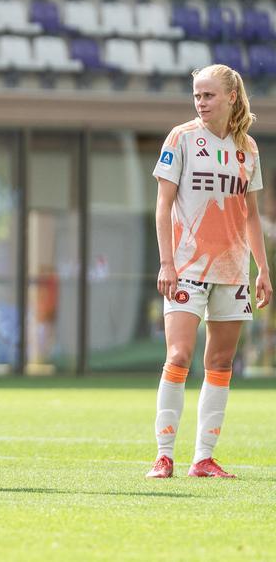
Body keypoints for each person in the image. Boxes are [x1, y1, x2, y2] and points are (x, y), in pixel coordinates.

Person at [147, 64, 271, 479]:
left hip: (233, 271)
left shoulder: (248, 149)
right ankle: (164, 455)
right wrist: (166, 261)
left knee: (220, 361)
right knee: (178, 356)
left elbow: (251, 216)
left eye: (209, 95)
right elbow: (163, 204)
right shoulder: (181, 138)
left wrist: (262, 270)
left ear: (231, 97)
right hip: (186, 266)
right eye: (197, 95)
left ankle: (204, 458)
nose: (200, 102)